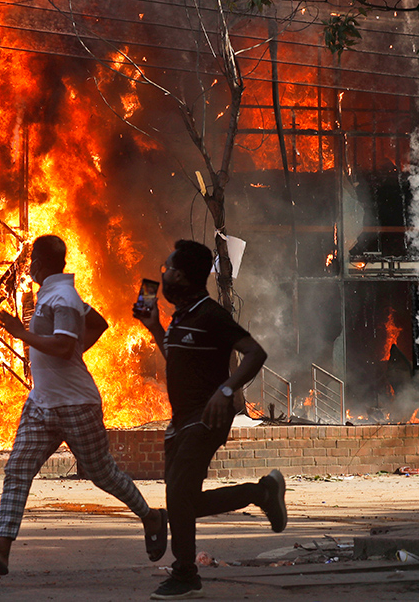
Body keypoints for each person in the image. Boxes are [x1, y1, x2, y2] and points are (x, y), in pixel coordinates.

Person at [0, 234, 168, 576]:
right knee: (18, 469)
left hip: (76, 404)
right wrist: (75, 352)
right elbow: (98, 324)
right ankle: (1, 550)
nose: (29, 267)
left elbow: (60, 347)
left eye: (31, 262)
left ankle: (151, 516)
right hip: (42, 403)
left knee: (103, 474)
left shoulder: (62, 298)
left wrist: (20, 332)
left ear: (41, 264)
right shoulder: (55, 294)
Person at [132, 239, 287, 600]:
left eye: (167, 270)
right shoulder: (182, 316)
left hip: (207, 418)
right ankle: (262, 492)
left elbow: (254, 352)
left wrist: (228, 390)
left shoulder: (211, 314)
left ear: (183, 276)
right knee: (184, 503)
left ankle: (185, 573)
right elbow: (180, 362)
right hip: (181, 420)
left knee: (177, 495)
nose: (163, 275)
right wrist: (156, 328)